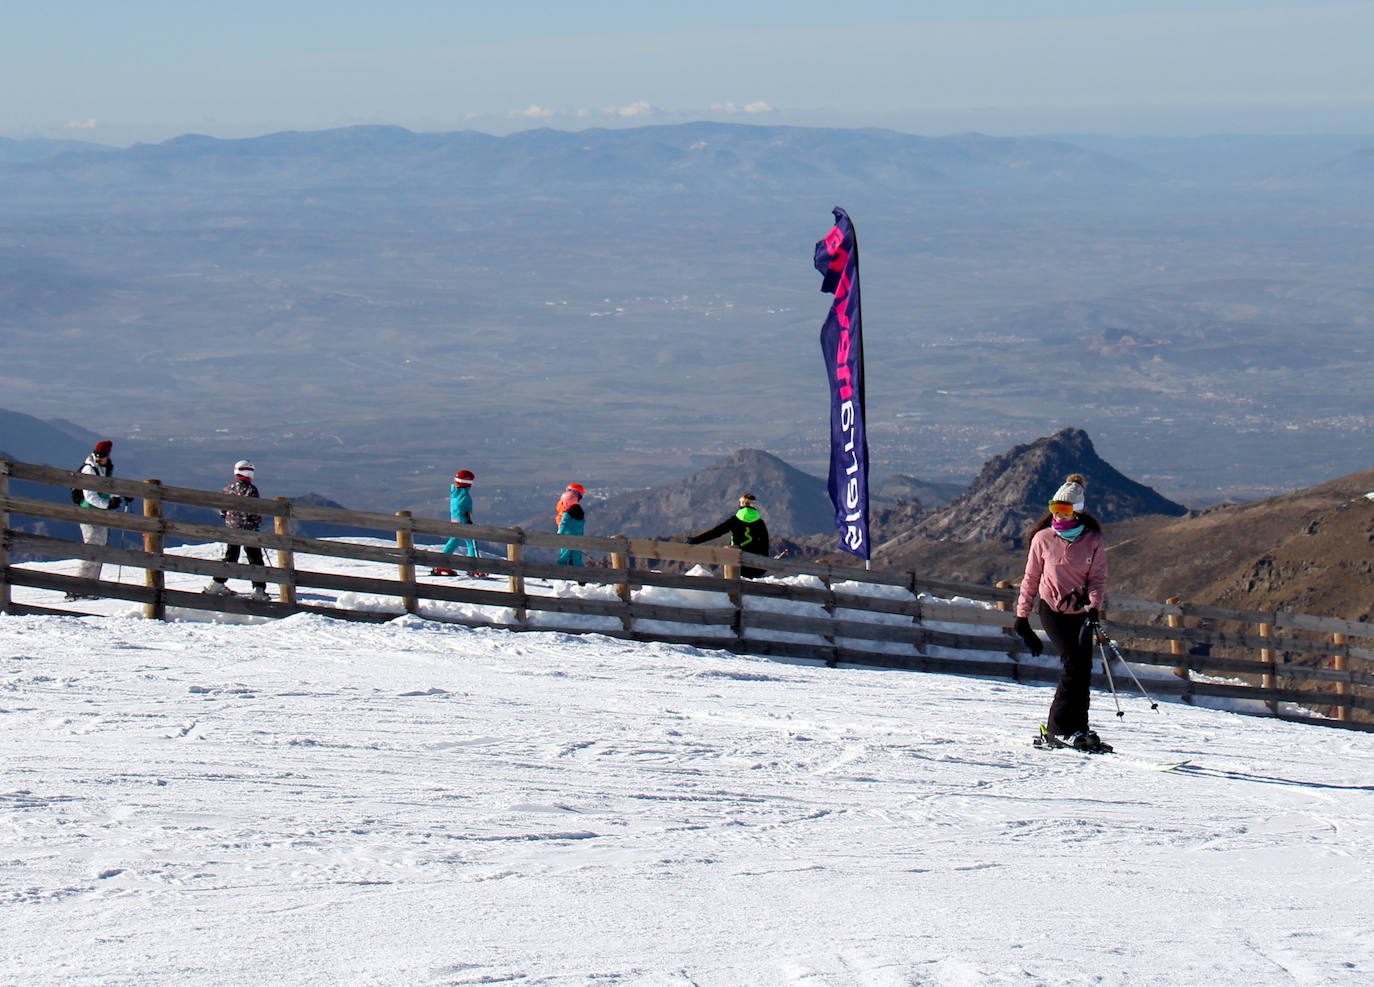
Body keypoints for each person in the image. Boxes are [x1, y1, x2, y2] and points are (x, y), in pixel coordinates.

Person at [1013, 474, 1110, 752]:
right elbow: (1030, 579)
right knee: (1073, 666)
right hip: (1052, 610)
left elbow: (1098, 579)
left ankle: (1078, 726)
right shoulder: (1043, 539)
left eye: (1065, 509)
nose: (1058, 514)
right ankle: (1056, 729)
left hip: (1081, 613)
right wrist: (1022, 619)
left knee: (1083, 670)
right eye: (1054, 508)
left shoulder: (1092, 540)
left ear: (1077, 510)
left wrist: (1094, 607)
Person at [204, 460, 270, 601]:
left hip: (231, 529)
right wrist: (257, 522)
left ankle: (215, 585)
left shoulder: (229, 488)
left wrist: (229, 519)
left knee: (231, 557)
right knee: (255, 558)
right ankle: (258, 590)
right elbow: (254, 510)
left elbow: (222, 509)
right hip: (249, 530)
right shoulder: (251, 489)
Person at [68, 439, 124, 600]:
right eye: (98, 455)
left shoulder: (105, 468)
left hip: (99, 513)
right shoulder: (89, 469)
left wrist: (117, 497)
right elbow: (90, 495)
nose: (99, 458)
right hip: (88, 512)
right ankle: (79, 586)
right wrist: (108, 505)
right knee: (92, 547)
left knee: (99, 547)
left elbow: (107, 487)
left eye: (102, 455)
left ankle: (91, 585)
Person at [688, 493, 771, 579]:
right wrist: (764, 562)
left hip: (737, 565)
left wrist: (695, 540)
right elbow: (765, 543)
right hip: (755, 567)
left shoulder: (735, 520)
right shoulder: (760, 523)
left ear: (741, 504)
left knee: (733, 587)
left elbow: (716, 532)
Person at [432, 468, 483, 576]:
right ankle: (474, 568)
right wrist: (467, 521)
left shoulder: (455, 492)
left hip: (456, 520)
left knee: (454, 542)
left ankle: (441, 565)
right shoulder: (464, 495)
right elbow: (462, 509)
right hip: (463, 522)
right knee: (472, 542)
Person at [555, 483, 586, 567]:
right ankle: (580, 573)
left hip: (567, 536)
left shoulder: (565, 509)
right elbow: (580, 525)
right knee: (576, 556)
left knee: (565, 554)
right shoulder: (578, 510)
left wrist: (559, 533)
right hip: (577, 537)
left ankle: (561, 571)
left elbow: (563, 524)